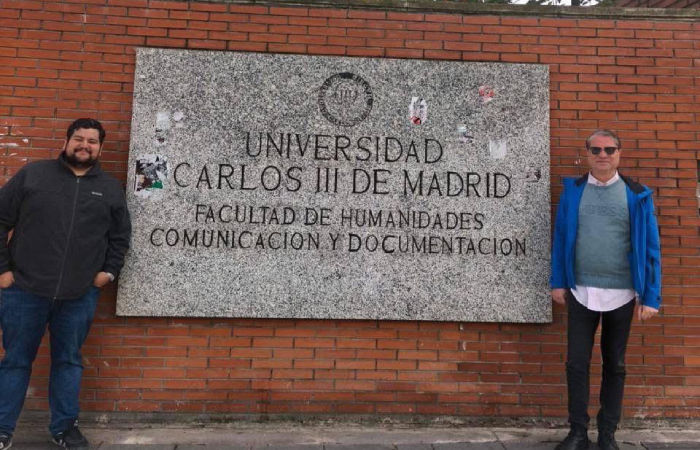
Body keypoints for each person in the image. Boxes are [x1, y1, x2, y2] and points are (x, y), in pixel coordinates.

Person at [0, 118, 132, 450]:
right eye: (79, 138)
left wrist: (108, 273)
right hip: (24, 290)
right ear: (66, 141)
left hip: (79, 294)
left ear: (100, 148)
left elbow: (120, 236)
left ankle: (64, 428)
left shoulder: (110, 189)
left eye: (92, 141)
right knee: (16, 360)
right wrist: (3, 271)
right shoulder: (34, 175)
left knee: (68, 361)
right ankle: (2, 428)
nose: (84, 145)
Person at [551, 130, 661, 450]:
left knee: (615, 365)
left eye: (609, 149)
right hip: (580, 290)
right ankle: (577, 433)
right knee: (576, 363)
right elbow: (560, 237)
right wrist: (558, 281)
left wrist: (650, 296)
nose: (603, 155)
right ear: (587, 153)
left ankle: (607, 434)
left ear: (619, 153)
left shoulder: (636, 195)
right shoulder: (573, 192)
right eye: (596, 149)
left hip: (622, 293)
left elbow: (651, 248)